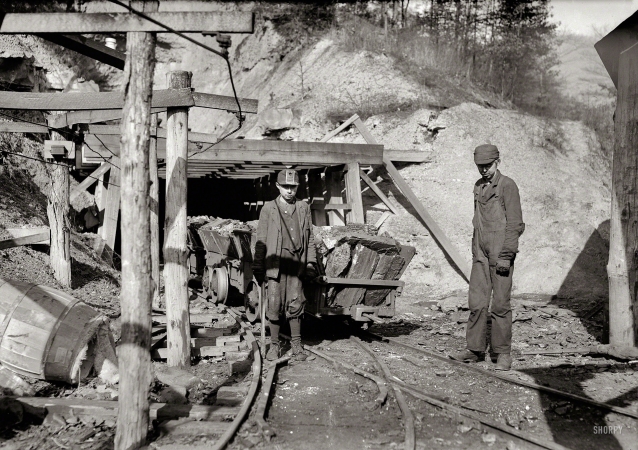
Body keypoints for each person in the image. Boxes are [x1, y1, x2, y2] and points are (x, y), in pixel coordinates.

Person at [450, 144, 524, 371]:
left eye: (487, 166)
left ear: (497, 162)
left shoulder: (507, 185)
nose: (483, 170)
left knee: (500, 304)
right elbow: (478, 222)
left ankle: (502, 353)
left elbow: (515, 224)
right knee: (477, 303)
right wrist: (476, 249)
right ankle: (474, 350)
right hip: (481, 254)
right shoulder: (478, 186)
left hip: (500, 253)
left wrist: (506, 255)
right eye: (480, 166)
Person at [252, 169, 318, 362]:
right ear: (278, 186)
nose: (290, 191)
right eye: (286, 187)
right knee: (275, 303)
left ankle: (296, 346)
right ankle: (274, 346)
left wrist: (311, 262)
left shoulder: (304, 207)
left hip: (296, 265)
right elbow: (261, 239)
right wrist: (258, 266)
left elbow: (310, 238)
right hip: (275, 265)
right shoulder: (268, 209)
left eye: (293, 187)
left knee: (296, 304)